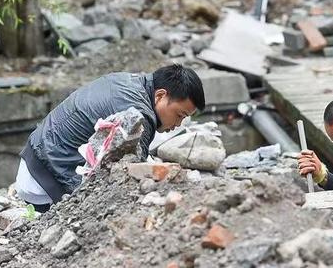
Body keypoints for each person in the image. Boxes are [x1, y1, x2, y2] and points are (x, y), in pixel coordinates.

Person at [16, 64, 205, 212]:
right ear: (160, 95)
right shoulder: (139, 115)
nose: (178, 125)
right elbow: (129, 180)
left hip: (34, 160)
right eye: (179, 115)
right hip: (46, 181)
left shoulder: (128, 80)